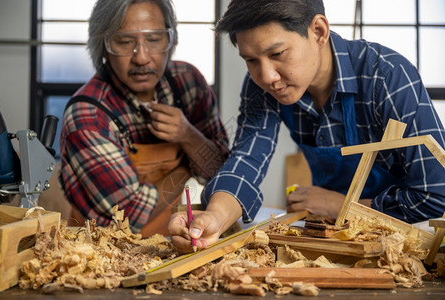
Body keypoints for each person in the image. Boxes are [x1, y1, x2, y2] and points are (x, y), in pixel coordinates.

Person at [168, 0, 445, 252]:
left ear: (318, 32)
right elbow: (246, 159)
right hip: (329, 236)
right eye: (251, 60)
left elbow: (436, 193)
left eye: (277, 53)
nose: (266, 76)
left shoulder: (386, 76)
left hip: (404, 241)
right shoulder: (263, 87)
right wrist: (214, 217)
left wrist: (341, 205)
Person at [59, 0, 229, 236]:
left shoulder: (188, 83)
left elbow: (222, 171)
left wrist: (187, 135)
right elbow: (130, 214)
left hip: (182, 240)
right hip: (105, 255)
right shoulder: (87, 115)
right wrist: (187, 167)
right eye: (125, 41)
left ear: (170, 39)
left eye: (153, 39)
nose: (141, 58)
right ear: (104, 45)